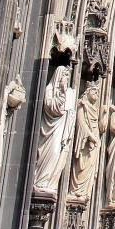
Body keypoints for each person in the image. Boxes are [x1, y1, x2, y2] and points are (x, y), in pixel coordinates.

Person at [32, 66, 76, 195]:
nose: (67, 78)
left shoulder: (69, 92)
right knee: (53, 151)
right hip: (51, 129)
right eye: (65, 75)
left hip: (62, 130)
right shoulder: (50, 89)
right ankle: (40, 182)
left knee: (59, 155)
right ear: (59, 76)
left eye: (68, 76)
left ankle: (49, 183)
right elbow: (51, 108)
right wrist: (62, 95)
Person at [68, 80, 106, 201]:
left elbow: (101, 128)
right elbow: (81, 122)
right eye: (94, 90)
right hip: (86, 141)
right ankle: (76, 191)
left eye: (98, 92)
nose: (97, 93)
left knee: (91, 165)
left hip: (95, 143)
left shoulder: (95, 109)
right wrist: (89, 135)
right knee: (81, 165)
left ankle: (84, 192)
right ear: (87, 91)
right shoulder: (82, 104)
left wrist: (104, 115)